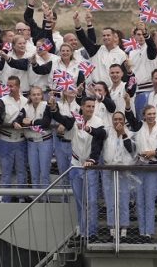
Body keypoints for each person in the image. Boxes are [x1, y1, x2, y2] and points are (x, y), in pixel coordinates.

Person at [51, 96, 106, 240]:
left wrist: (92, 159)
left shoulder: (99, 122)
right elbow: (61, 118)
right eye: (88, 106)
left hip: (90, 166)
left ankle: (92, 233)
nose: (91, 109)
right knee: (80, 201)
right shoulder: (74, 120)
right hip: (75, 165)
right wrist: (53, 108)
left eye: (93, 106)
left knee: (92, 201)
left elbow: (100, 138)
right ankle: (83, 232)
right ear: (81, 107)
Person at [124, 97, 157, 241]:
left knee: (150, 201)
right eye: (149, 114)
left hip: (153, 170)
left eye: (154, 114)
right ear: (144, 115)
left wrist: (154, 153)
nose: (152, 116)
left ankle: (149, 232)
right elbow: (129, 117)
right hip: (139, 168)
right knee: (140, 201)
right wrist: (128, 104)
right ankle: (141, 232)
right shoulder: (139, 126)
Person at [102, 110, 136, 241]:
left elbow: (132, 150)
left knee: (123, 201)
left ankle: (124, 229)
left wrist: (123, 134)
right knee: (110, 201)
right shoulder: (106, 133)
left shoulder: (130, 134)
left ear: (124, 120)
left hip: (124, 172)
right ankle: (112, 229)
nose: (118, 122)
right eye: (115, 119)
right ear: (112, 121)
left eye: (120, 119)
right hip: (109, 170)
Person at [16, 85, 54, 194]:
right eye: (34, 95)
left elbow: (46, 122)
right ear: (30, 96)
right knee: (34, 172)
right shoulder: (26, 107)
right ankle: (36, 198)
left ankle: (46, 199)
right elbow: (19, 118)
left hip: (45, 141)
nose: (36, 97)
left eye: (38, 94)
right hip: (31, 142)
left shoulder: (47, 105)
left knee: (44, 173)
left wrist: (31, 122)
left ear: (42, 95)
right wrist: (16, 122)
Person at [0, 76, 29, 202]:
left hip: (21, 140)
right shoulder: (2, 101)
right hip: (6, 140)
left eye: (12, 86)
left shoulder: (26, 101)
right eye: (8, 85)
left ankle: (21, 198)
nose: (9, 88)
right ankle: (6, 199)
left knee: (22, 171)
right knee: (6, 172)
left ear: (18, 86)